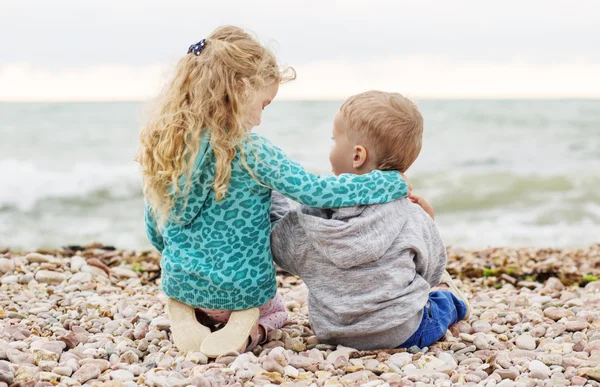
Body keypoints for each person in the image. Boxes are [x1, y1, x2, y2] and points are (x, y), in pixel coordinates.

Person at [136, 28, 410, 357]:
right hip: (241, 292)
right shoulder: (252, 151)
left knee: (184, 277)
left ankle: (186, 313)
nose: (260, 119)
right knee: (278, 310)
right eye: (263, 104)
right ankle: (250, 328)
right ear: (239, 90)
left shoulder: (165, 148)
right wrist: (389, 181)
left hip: (180, 282)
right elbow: (317, 192)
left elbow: (155, 229)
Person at [270, 91, 471, 350]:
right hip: (404, 333)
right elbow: (430, 272)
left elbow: (279, 249)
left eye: (334, 141)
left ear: (357, 156)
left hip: (332, 332)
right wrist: (428, 224)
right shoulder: (411, 214)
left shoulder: (314, 218)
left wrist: (272, 190)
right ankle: (455, 301)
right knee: (441, 301)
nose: (331, 149)